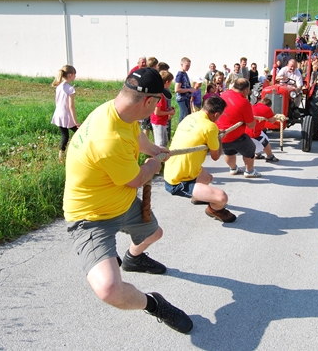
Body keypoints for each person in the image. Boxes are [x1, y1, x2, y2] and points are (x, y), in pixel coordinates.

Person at [63, 67, 192, 334]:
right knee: (109, 289)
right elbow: (137, 179)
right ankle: (154, 305)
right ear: (148, 101)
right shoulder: (108, 139)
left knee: (154, 233)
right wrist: (154, 164)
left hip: (120, 201)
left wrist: (153, 149)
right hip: (92, 217)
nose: (160, 105)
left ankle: (133, 259)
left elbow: (135, 133)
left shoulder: (117, 111)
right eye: (159, 100)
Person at [164, 97, 236, 222]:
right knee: (222, 198)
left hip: (171, 169)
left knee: (208, 178)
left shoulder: (190, 117)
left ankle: (197, 197)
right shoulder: (210, 126)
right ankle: (214, 209)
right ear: (216, 114)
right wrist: (219, 138)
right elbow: (215, 157)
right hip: (177, 181)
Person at [216, 78, 261, 178]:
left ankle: (233, 169)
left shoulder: (223, 94)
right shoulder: (244, 102)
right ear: (245, 90)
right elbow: (251, 125)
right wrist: (252, 119)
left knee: (228, 151)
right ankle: (249, 171)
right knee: (250, 148)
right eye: (248, 90)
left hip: (220, 136)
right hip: (234, 136)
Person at [51, 65, 80, 162]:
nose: (75, 77)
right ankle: (81, 152)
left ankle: (60, 158)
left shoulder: (58, 87)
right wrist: (76, 122)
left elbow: (57, 102)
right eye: (74, 75)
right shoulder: (70, 89)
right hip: (66, 116)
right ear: (70, 75)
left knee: (65, 136)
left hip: (58, 114)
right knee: (80, 133)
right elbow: (71, 106)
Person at [246, 98, 279, 163]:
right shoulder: (267, 109)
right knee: (265, 140)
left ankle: (257, 154)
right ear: (269, 106)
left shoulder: (253, 106)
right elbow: (272, 121)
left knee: (261, 135)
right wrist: (276, 117)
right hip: (253, 133)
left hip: (245, 132)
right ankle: (270, 156)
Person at [151, 71, 176, 148]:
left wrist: (168, 110)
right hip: (158, 122)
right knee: (160, 144)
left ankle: (162, 159)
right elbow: (157, 112)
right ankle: (158, 159)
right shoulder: (160, 95)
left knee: (164, 143)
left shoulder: (162, 93)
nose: (170, 84)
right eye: (170, 82)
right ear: (167, 82)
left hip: (162, 122)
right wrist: (169, 112)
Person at [174, 57, 195, 123]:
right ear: (181, 64)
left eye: (189, 66)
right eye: (187, 66)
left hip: (186, 98)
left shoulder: (185, 74)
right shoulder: (180, 75)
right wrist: (189, 89)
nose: (188, 67)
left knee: (187, 115)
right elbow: (177, 89)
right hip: (181, 98)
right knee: (184, 115)